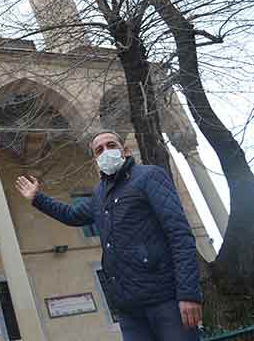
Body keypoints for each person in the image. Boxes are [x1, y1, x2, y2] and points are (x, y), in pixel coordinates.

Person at [15, 130, 202, 341]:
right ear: (95, 160)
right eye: (99, 150)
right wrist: (37, 198)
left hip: (165, 300)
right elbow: (72, 215)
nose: (106, 152)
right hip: (129, 309)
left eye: (111, 145)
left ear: (125, 150)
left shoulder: (150, 176)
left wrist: (188, 294)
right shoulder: (99, 194)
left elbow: (179, 234)